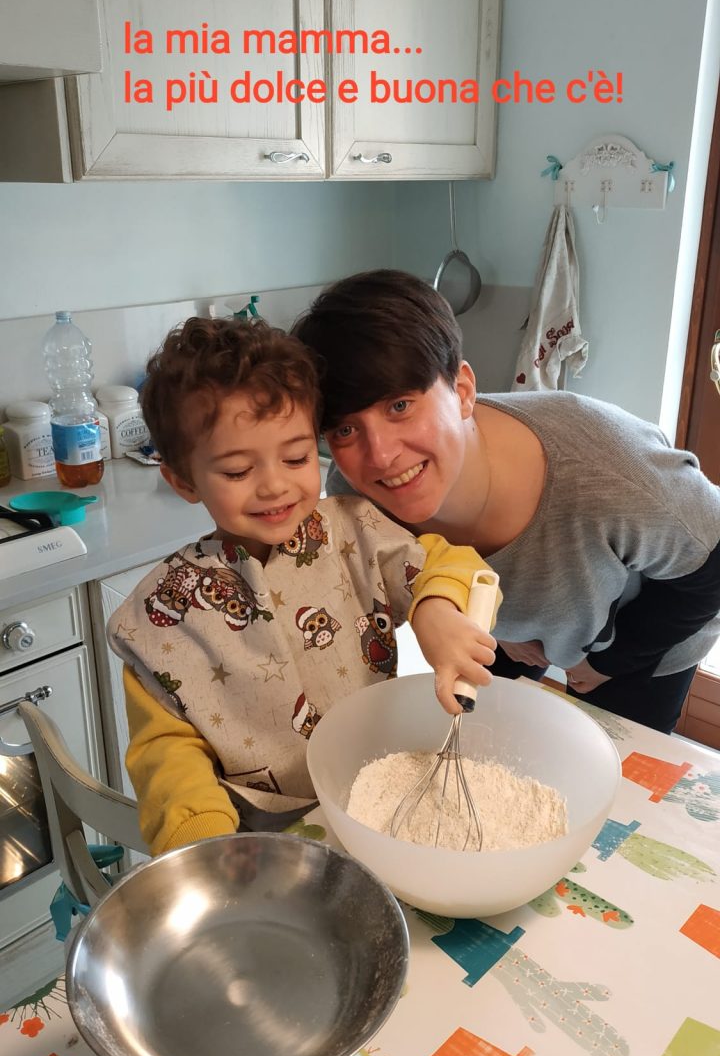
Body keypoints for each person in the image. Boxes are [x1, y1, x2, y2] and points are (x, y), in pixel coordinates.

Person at [108, 317, 499, 855]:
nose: (275, 485)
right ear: (183, 480)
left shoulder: (356, 532)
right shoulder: (167, 612)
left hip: (371, 794)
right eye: (237, 471)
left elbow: (452, 564)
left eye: (296, 458)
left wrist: (436, 609)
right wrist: (201, 840)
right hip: (258, 835)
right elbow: (167, 751)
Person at [292, 269, 720, 735]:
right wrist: (499, 631)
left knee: (620, 754)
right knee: (482, 737)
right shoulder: (355, 492)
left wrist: (608, 663)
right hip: (514, 623)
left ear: (462, 391)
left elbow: (711, 568)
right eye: (345, 429)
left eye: (400, 406)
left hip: (645, 629)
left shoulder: (609, 471)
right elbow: (404, 573)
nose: (380, 456)